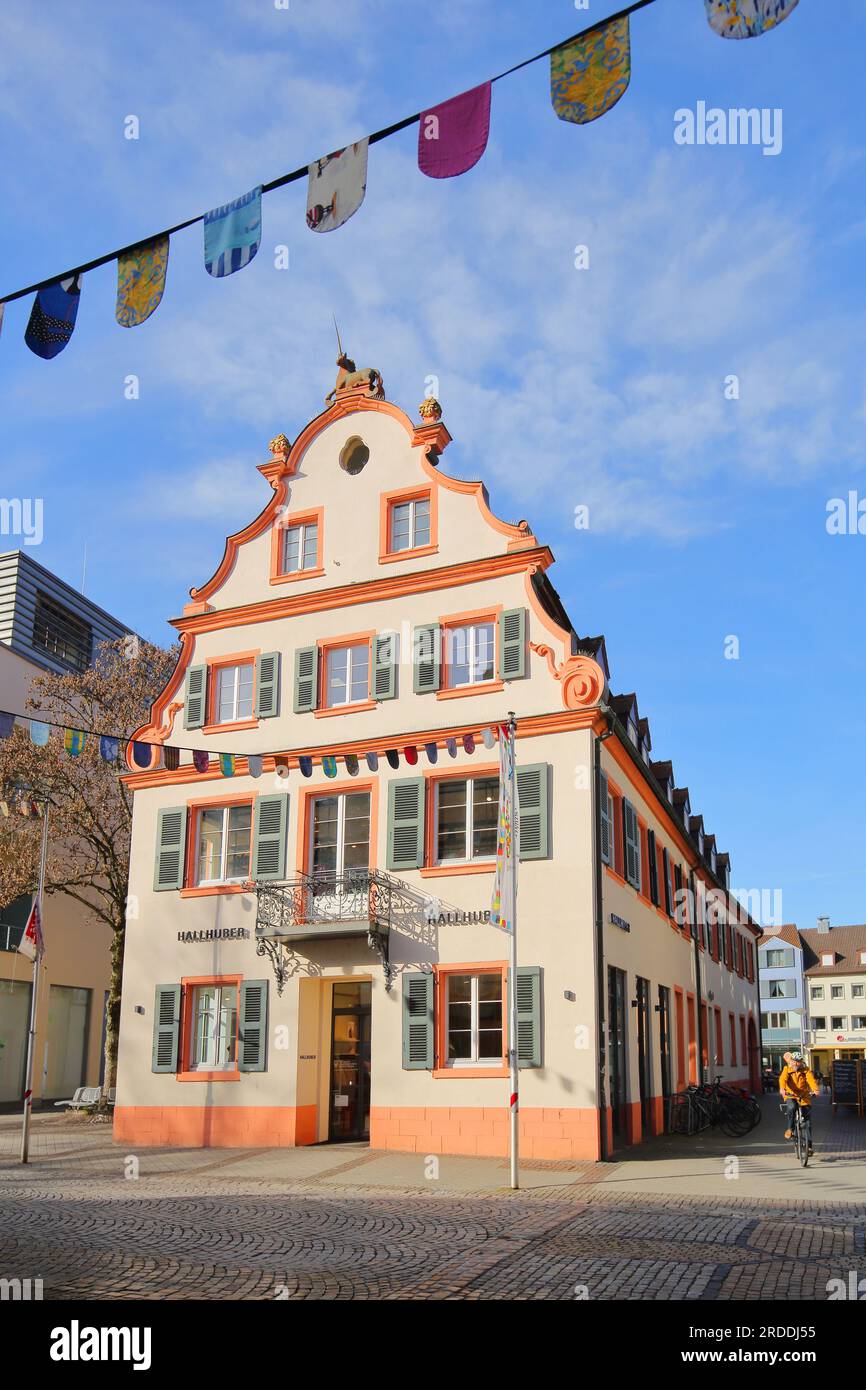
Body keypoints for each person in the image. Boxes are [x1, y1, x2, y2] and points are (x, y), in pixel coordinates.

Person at [779, 1053, 820, 1155]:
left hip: (804, 1096)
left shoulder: (805, 1070)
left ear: (801, 1062)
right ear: (791, 1061)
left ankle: (809, 1147)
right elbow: (782, 1079)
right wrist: (782, 1089)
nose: (796, 1064)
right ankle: (790, 1129)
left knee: (808, 1122)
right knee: (792, 1107)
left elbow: (810, 1080)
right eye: (794, 1062)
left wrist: (815, 1090)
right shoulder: (786, 1069)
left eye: (798, 1062)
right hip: (791, 1095)